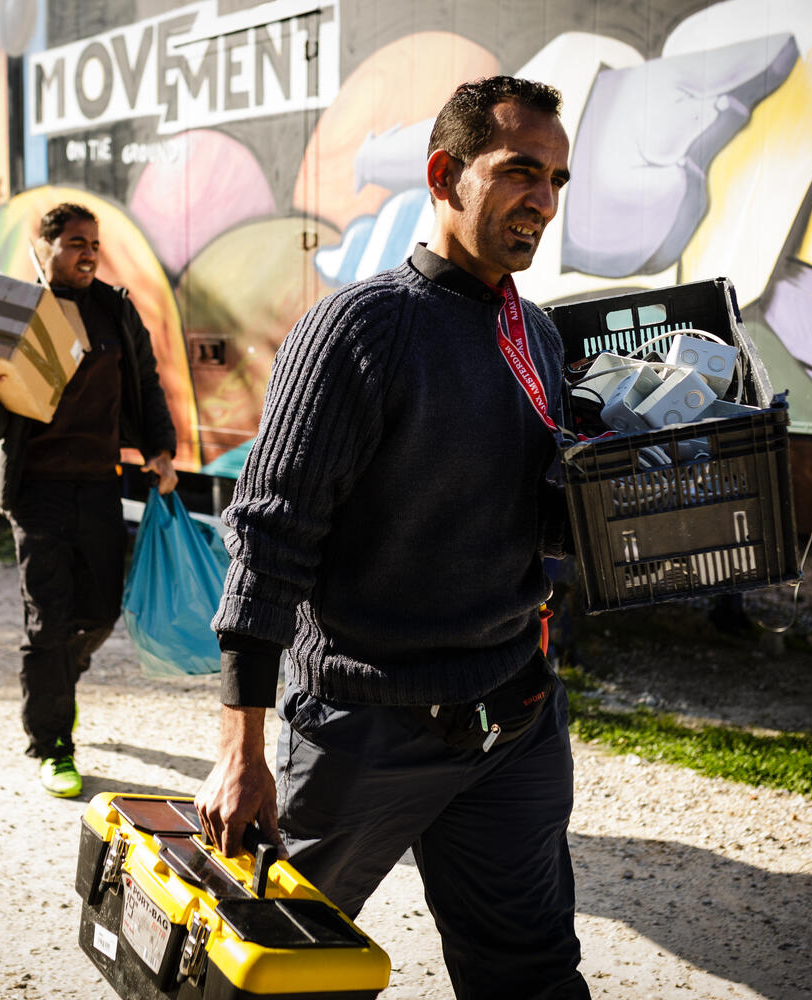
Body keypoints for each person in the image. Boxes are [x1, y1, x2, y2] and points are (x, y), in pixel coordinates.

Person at [194, 77, 592, 998]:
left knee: (531, 973)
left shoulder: (533, 335)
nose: (543, 200)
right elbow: (268, 542)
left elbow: (523, 517)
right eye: (521, 171)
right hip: (363, 732)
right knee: (263, 976)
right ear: (445, 174)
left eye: (558, 181)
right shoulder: (358, 330)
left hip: (513, 722)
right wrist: (240, 751)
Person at [0, 202, 179, 798]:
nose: (89, 253)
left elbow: (146, 384)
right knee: (47, 620)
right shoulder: (16, 313)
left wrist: (160, 451)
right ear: (43, 245)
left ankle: (62, 677)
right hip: (36, 488)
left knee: (100, 612)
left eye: (94, 243)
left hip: (100, 481)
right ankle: (52, 743)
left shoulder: (114, 309)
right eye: (76, 242)